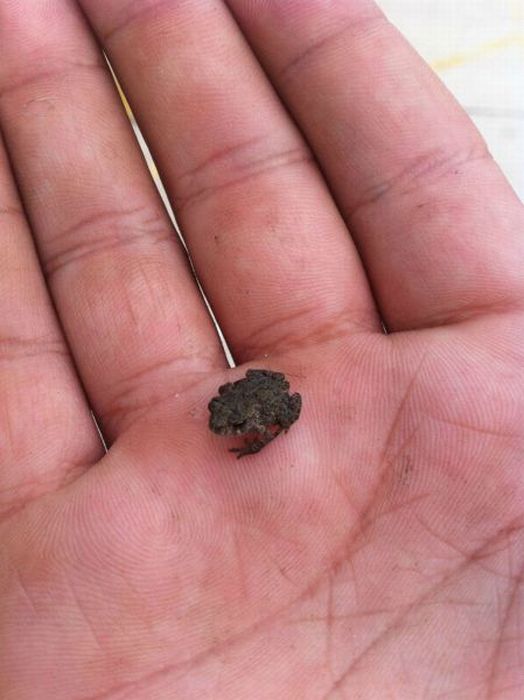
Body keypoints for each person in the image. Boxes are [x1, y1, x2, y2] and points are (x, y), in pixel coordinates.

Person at [0, 1, 522, 697]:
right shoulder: (237, 414)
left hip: (271, 390)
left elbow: (275, 409)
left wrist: (259, 436)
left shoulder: (264, 420)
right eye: (227, 426)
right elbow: (235, 398)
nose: (222, 430)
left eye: (230, 428)